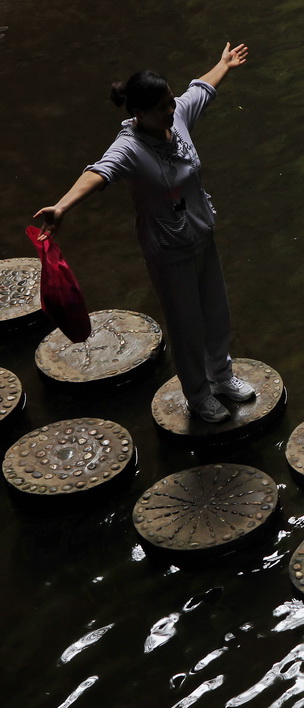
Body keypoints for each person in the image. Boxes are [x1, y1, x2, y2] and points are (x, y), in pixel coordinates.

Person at [34, 43, 255, 424]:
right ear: (138, 112)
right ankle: (198, 395)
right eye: (161, 107)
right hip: (169, 251)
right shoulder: (130, 147)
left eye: (170, 101)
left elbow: (200, 88)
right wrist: (62, 206)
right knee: (186, 324)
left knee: (217, 313)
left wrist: (223, 65)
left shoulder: (176, 117)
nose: (171, 109)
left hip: (202, 235)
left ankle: (222, 376)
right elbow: (97, 172)